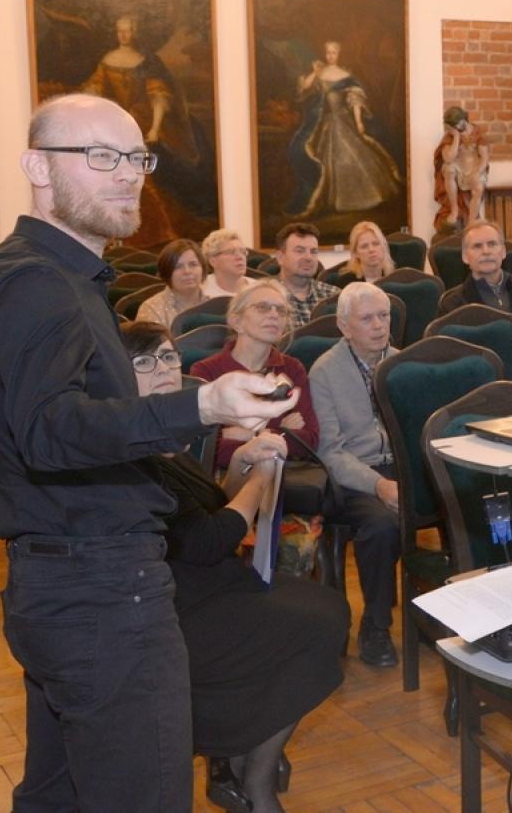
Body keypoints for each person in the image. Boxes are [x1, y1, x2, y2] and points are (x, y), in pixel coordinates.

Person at [0, 93, 296, 812]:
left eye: (137, 158)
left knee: (58, 796)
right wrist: (202, 404)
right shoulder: (39, 284)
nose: (126, 175)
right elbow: (47, 430)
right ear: (36, 167)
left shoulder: (51, 276)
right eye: (99, 156)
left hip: (66, 583)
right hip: (101, 590)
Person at [122, 321, 348, 813]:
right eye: (144, 362)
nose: (162, 371)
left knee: (328, 608)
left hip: (207, 579)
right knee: (313, 632)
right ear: (117, 375)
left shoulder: (167, 432)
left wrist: (244, 461)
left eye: (167, 358)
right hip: (174, 604)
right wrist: (259, 480)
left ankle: (249, 754)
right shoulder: (130, 445)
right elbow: (206, 540)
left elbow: (205, 509)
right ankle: (255, 777)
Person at [310, 282, 404, 669]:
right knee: (382, 525)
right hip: (352, 475)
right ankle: (376, 627)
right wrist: (377, 484)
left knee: (466, 501)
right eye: (367, 318)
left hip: (400, 467)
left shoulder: (403, 363)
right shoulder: (325, 372)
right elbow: (330, 451)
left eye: (384, 316)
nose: (379, 326)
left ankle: (458, 619)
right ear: (344, 326)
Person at [79, 14, 208, 247]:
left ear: (134, 32)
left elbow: (157, 95)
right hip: (116, 121)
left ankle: (156, 231)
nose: (123, 35)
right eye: (120, 31)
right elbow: (95, 89)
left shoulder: (144, 61)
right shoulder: (108, 60)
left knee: (152, 175)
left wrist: (155, 128)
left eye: (127, 30)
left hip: (141, 119)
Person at [195, 279, 321, 472]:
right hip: (224, 480)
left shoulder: (292, 368)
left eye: (281, 310)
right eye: (262, 307)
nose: (274, 315)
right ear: (236, 321)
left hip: (284, 477)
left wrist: (248, 434)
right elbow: (208, 449)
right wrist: (280, 429)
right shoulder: (205, 371)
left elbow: (309, 440)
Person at [290, 40, 402, 218]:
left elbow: (355, 99)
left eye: (334, 52)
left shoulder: (346, 75)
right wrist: (314, 72)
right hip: (325, 122)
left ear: (339, 54)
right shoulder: (320, 73)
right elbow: (305, 89)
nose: (330, 55)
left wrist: (358, 122)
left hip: (343, 120)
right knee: (324, 159)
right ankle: (330, 201)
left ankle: (360, 199)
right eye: (328, 52)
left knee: (351, 157)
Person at [437, 218, 512, 364]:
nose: (486, 251)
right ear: (465, 257)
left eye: (492, 244)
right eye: (477, 246)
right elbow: (447, 354)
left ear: (503, 252)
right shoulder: (452, 304)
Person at [432, 104, 491, 233]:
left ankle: (471, 221)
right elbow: (448, 158)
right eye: (453, 126)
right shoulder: (450, 136)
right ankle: (454, 209)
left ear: (464, 119)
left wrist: (477, 173)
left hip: (474, 167)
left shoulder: (477, 133)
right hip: (459, 168)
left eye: (458, 124)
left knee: (479, 187)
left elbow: (484, 158)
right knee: (448, 169)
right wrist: (457, 137)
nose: (457, 127)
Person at [137, 237, 209, 331]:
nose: (187, 271)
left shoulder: (215, 306)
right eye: (178, 267)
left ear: (203, 268)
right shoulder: (152, 309)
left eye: (193, 264)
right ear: (166, 272)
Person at [275, 220, 338, 327]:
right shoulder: (262, 298)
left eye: (313, 252)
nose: (308, 257)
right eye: (300, 251)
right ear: (280, 258)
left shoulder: (334, 297)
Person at [201, 227, 253, 299]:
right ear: (213, 261)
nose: (240, 257)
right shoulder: (200, 291)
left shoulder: (259, 289)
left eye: (243, 251)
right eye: (231, 252)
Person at [343, 219, 396, 284]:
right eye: (364, 246)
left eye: (376, 243)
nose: (371, 250)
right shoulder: (346, 282)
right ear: (356, 253)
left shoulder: (395, 278)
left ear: (383, 246)